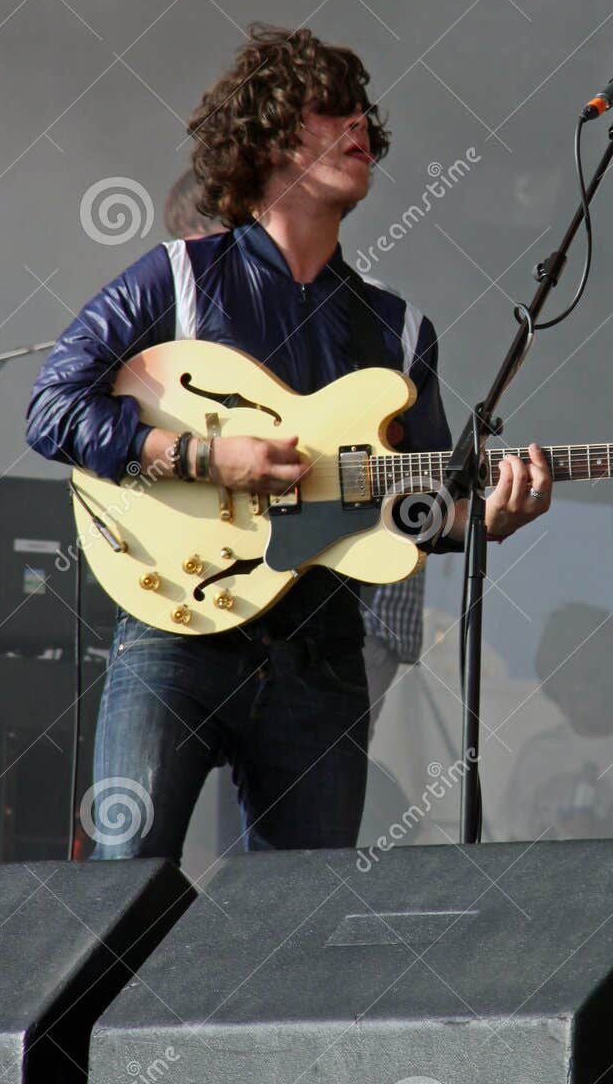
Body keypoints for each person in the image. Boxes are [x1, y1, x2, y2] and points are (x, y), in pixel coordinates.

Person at [26, 23, 552, 861]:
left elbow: (419, 509)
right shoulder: (177, 277)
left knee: (297, 920)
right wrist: (204, 458)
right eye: (330, 111)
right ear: (269, 137)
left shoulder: (397, 328)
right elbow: (52, 409)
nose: (359, 127)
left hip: (323, 654)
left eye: (361, 113)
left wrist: (485, 519)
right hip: (176, 630)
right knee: (121, 890)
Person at [160, 167, 422, 739]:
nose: (200, 264)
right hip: (235, 594)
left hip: (358, 608)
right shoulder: (191, 301)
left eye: (203, 241)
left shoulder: (365, 315)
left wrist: (475, 513)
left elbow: (416, 467)